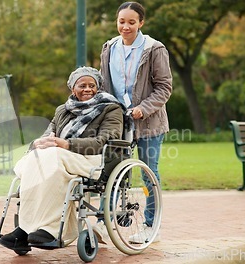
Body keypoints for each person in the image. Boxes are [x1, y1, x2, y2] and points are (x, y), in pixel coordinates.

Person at [0, 66, 124, 251]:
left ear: (98, 88)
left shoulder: (110, 109)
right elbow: (49, 134)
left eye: (92, 85)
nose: (87, 89)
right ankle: (27, 229)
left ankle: (45, 229)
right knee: (41, 158)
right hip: (58, 157)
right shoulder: (62, 110)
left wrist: (67, 144)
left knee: (50, 158)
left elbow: (105, 141)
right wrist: (39, 143)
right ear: (73, 88)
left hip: (91, 158)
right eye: (82, 85)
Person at [99, 1, 173, 243]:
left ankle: (152, 225)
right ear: (117, 22)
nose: (126, 26)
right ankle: (105, 221)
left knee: (148, 173)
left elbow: (164, 88)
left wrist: (143, 108)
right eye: (122, 21)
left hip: (149, 122)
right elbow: (104, 85)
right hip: (118, 122)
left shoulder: (154, 49)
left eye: (132, 22)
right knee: (109, 171)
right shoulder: (109, 47)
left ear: (141, 23)